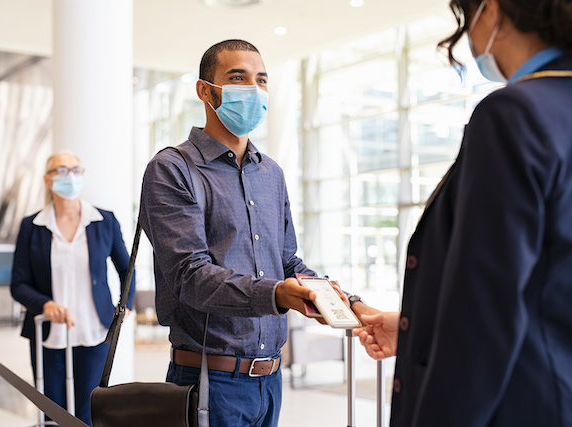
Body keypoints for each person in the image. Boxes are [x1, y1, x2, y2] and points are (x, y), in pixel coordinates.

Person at [353, 0, 572, 425]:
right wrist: (419, 330)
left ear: (489, 10)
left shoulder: (514, 114)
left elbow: (486, 309)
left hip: (518, 404)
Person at [138, 39, 318, 426]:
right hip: (208, 381)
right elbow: (191, 275)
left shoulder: (271, 173)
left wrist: (342, 300)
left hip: (270, 382)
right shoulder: (172, 170)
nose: (252, 89)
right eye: (238, 78)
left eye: (261, 80)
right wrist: (274, 294)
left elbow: (286, 261)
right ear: (205, 90)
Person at [10, 151, 135, 426]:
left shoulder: (104, 221)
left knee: (89, 414)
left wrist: (126, 304)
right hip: (48, 336)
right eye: (62, 170)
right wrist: (45, 305)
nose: (71, 176)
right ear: (47, 180)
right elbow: (18, 284)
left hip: (94, 333)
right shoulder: (32, 226)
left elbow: (127, 268)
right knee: (52, 415)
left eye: (76, 170)